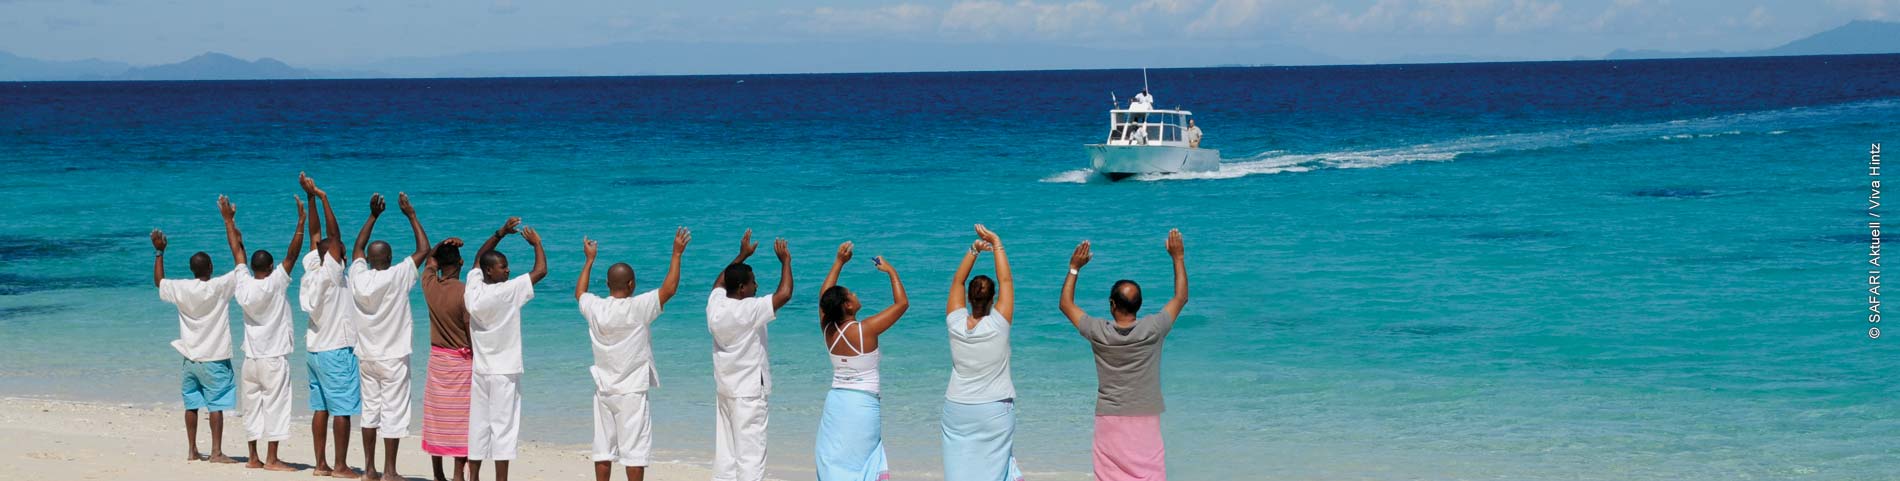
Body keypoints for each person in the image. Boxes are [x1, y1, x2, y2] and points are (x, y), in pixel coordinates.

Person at [1057, 230, 1191, 481]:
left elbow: (1065, 304)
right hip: (1145, 415)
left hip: (1110, 416)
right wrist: (1178, 257)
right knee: (1148, 472)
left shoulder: (1099, 331)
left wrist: (1075, 268)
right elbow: (1181, 297)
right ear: (1139, 305)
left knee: (1110, 474)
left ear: (1112, 304)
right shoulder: (1154, 328)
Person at [575, 228, 689, 481]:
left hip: (604, 389)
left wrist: (589, 260)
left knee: (603, 449)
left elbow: (580, 293)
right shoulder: (638, 308)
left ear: (607, 285)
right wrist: (677, 254)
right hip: (632, 392)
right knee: (634, 452)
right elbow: (669, 289)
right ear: (631, 284)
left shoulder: (596, 308)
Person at [152, 196, 247, 465]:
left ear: (192, 271)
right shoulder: (219, 287)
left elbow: (159, 282)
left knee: (191, 404)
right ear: (211, 269)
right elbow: (241, 262)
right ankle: (216, 452)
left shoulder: (182, 288)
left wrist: (160, 252)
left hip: (190, 358)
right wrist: (230, 222)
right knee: (216, 406)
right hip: (214, 358)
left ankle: (193, 450)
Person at [347, 192, 431, 481]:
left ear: (369, 260)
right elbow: (424, 249)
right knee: (393, 413)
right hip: (393, 356)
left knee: (370, 412)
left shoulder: (358, 277)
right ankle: (390, 471)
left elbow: (357, 247)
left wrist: (373, 215)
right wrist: (410, 214)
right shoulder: (397, 276)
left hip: (366, 356)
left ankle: (369, 470)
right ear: (391, 259)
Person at [813, 241, 907, 481]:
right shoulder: (866, 330)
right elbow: (901, 304)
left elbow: (824, 296)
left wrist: (838, 262)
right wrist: (891, 272)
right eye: (851, 295)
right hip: (862, 405)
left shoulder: (827, 328)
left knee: (836, 461)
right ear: (848, 305)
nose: (855, 295)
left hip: (836, 402)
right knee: (864, 462)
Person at [706, 229, 793, 481]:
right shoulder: (749, 309)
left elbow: (720, 283)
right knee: (751, 458)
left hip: (725, 390)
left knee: (726, 454)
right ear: (743, 288)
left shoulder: (716, 306)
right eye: (753, 282)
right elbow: (784, 294)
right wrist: (786, 261)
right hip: (749, 394)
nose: (757, 285)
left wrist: (741, 256)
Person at [465, 217, 548, 481]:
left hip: (481, 371)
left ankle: (474, 477)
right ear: (491, 272)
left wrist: (499, 233)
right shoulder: (507, 292)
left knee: (478, 426)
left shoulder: (473, 290)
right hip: (504, 371)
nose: (508, 271)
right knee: (504, 428)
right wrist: (537, 244)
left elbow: (478, 258)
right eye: (503, 267)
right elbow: (541, 271)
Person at [227, 194, 304, 472]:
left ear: (254, 268)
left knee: (252, 407)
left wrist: (228, 220)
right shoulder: (275, 284)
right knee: (276, 406)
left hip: (251, 359)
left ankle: (253, 457)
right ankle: (271, 459)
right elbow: (292, 255)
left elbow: (238, 254)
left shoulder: (243, 286)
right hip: (273, 358)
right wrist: (301, 222)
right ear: (270, 268)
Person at [941, 225, 1024, 481]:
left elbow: (957, 280)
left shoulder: (955, 322)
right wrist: (996, 242)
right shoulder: (998, 324)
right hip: (994, 409)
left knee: (959, 472)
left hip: (957, 408)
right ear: (993, 299)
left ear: (967, 298)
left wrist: (973, 250)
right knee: (994, 472)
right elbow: (1006, 280)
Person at [300, 175, 363, 478]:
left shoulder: (312, 271)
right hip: (336, 350)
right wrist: (324, 197)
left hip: (314, 351)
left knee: (320, 408)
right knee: (342, 410)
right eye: (341, 252)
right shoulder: (331, 274)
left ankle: (321, 464)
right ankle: (339, 465)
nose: (345, 252)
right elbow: (332, 238)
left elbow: (317, 236)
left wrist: (310, 198)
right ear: (335, 257)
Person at [422, 236, 474, 481]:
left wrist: (441, 244)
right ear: (461, 263)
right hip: (461, 361)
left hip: (438, 360)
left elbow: (429, 261)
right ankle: (457, 474)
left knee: (437, 418)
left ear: (440, 265)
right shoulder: (465, 291)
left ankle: (437, 473)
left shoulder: (429, 284)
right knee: (461, 421)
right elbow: (468, 327)